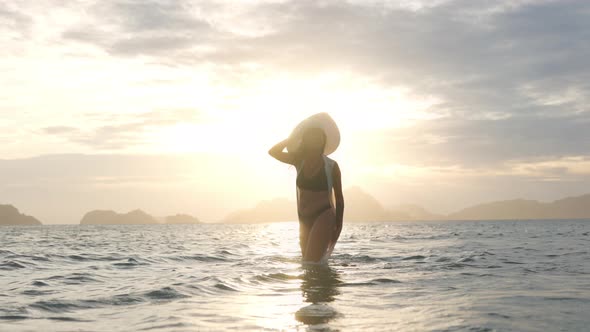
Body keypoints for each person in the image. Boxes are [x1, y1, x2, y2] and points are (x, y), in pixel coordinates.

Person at [268, 127, 344, 263]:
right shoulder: (299, 161)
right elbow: (273, 152)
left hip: (324, 215)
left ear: (323, 141)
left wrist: (338, 225)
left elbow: (339, 198)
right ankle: (324, 282)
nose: (316, 140)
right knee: (308, 262)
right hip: (304, 218)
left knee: (310, 263)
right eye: (312, 137)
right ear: (306, 140)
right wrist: (291, 139)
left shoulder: (331, 166)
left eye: (319, 137)